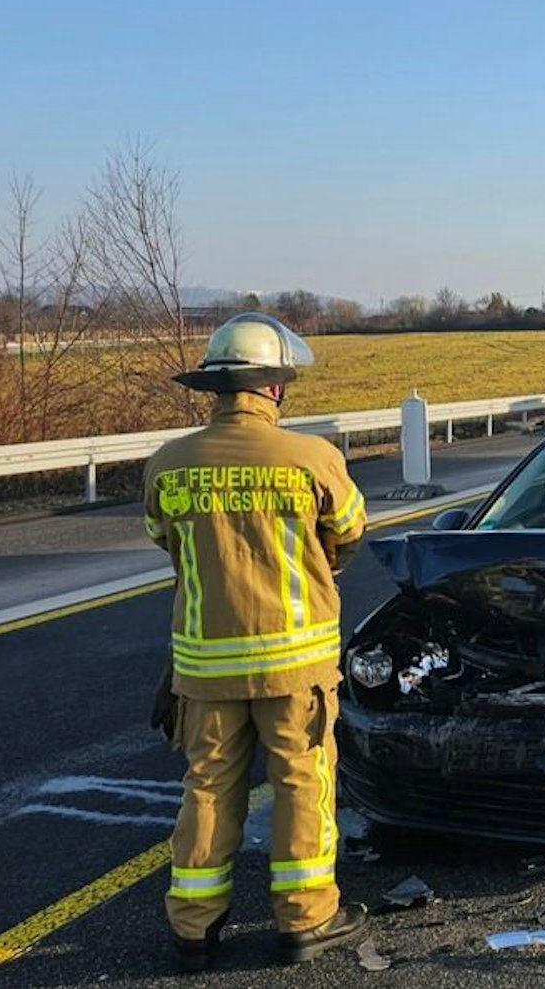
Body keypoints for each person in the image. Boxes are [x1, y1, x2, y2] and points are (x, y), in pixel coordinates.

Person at [143, 314, 371, 970]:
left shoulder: (169, 463)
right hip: (294, 666)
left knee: (209, 784)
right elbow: (349, 535)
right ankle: (306, 918)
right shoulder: (313, 459)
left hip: (204, 666)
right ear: (273, 388)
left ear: (214, 387)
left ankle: (193, 927)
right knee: (301, 780)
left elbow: (168, 541)